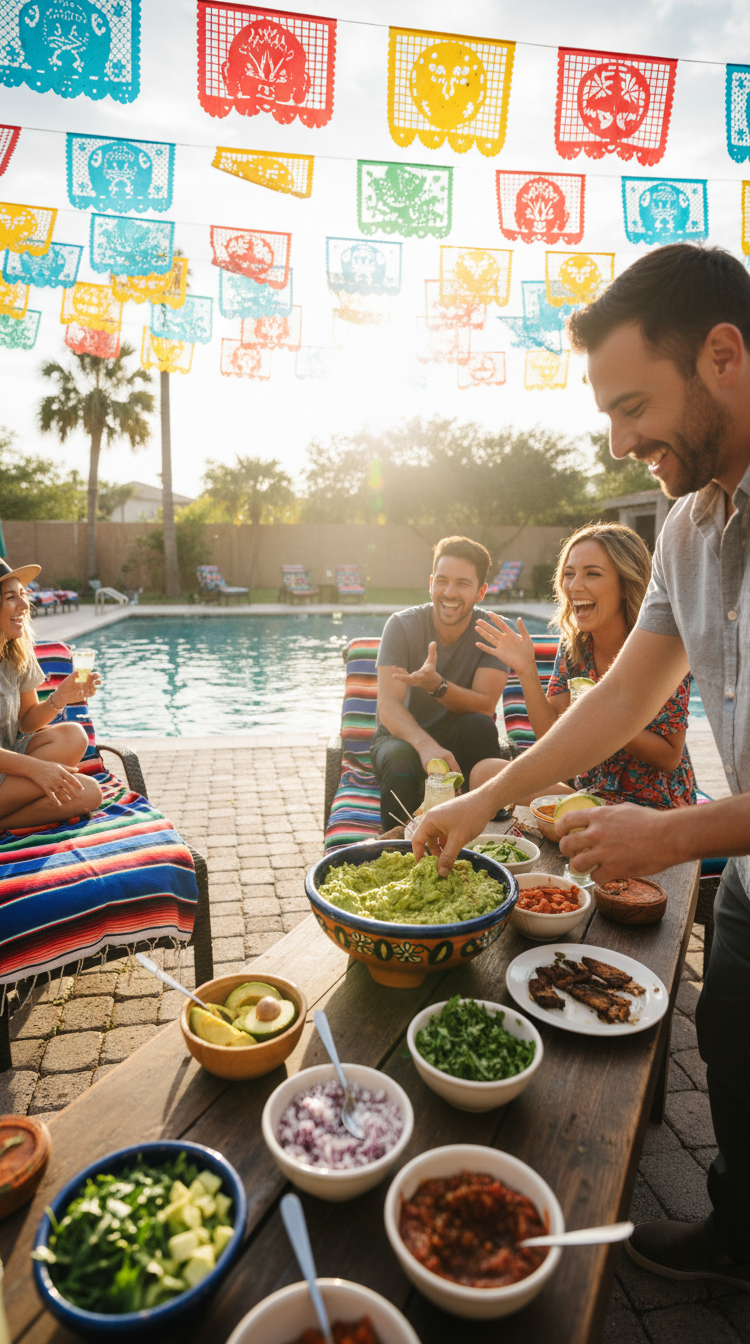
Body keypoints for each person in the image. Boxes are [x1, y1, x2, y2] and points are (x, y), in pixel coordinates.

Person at [411, 243, 750, 1289]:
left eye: (635, 404)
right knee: (730, 1036)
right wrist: (492, 799)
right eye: (608, 414)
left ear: (726, 356)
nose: (621, 439)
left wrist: (673, 834)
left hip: (713, 843)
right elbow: (618, 701)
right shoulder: (692, 527)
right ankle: (739, 1234)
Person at [474, 522, 696, 809]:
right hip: (588, 793)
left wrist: (603, 711)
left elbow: (669, 756)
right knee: (484, 774)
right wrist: (527, 670)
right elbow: (552, 736)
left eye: (592, 574)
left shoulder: (660, 649)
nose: (574, 586)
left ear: (626, 584)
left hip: (651, 803)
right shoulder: (574, 648)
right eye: (569, 573)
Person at [370, 535, 508, 831]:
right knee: (399, 760)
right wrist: (425, 746)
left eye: (462, 583)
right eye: (442, 580)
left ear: (481, 591)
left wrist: (437, 685)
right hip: (401, 738)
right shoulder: (402, 626)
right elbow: (388, 706)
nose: (449, 592)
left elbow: (485, 705)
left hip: (460, 737)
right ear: (431, 582)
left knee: (480, 728)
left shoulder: (491, 632)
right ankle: (401, 848)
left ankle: (481, 837)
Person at [0, 552, 103, 833]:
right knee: (76, 788)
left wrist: (60, 697)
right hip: (3, 770)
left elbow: (25, 722)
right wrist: (36, 769)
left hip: (8, 769)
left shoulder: (15, 654)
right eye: (11, 596)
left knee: (88, 786)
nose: (25, 604)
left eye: (23, 594)